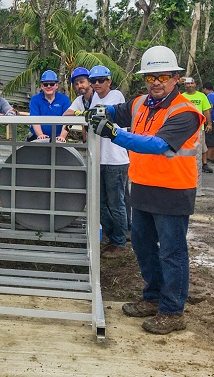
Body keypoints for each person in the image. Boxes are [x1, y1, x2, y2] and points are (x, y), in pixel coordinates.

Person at [84, 46, 203, 334]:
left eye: (162, 76)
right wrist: (102, 111)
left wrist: (113, 132)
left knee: (172, 252)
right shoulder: (140, 103)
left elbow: (157, 145)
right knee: (143, 246)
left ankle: (172, 311)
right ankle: (152, 297)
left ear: (175, 78)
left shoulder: (185, 112)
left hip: (173, 191)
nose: (156, 83)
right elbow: (117, 110)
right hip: (143, 187)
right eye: (150, 78)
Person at [73, 65, 129, 258]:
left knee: (116, 203)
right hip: (99, 158)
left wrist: (83, 115)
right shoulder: (94, 97)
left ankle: (120, 242)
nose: (97, 84)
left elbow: (100, 114)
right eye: (94, 81)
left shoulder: (116, 97)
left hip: (115, 160)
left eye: (101, 80)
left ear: (109, 81)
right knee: (101, 202)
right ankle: (110, 239)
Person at [180, 77, 213, 175]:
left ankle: (204, 164)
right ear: (185, 85)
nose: (190, 85)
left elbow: (206, 111)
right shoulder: (182, 96)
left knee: (202, 147)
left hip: (199, 127)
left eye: (191, 83)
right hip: (185, 128)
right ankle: (186, 165)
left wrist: (209, 124)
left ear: (195, 84)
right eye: (187, 84)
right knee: (185, 148)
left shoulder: (202, 96)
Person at [29, 70, 71, 142]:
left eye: (52, 84)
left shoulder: (64, 100)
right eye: (46, 84)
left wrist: (62, 136)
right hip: (37, 138)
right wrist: (40, 135)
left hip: (58, 138)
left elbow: (68, 120)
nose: (49, 86)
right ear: (42, 86)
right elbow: (34, 119)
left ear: (56, 85)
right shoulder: (35, 99)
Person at [204, 82, 214, 166]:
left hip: (212, 120)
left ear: (205, 89)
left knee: (210, 139)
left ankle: (209, 158)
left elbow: (210, 108)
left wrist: (207, 119)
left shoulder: (209, 96)